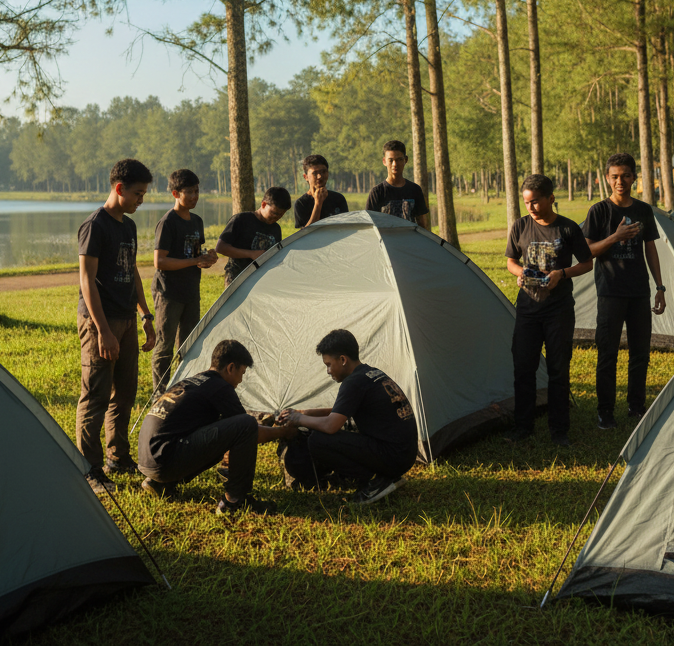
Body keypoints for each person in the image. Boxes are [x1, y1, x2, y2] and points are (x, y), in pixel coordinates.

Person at [138, 339, 295, 515]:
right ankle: (234, 501)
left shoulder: (193, 381)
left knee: (223, 429)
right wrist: (283, 431)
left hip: (148, 461)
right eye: (241, 373)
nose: (240, 381)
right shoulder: (220, 387)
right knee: (245, 423)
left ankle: (160, 483)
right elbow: (250, 430)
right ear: (230, 368)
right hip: (166, 460)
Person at [76, 158, 156, 495]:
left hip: (126, 320)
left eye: (144, 194)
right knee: (95, 396)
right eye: (138, 193)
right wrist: (103, 331)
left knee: (123, 395)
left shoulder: (128, 226)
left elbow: (133, 271)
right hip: (101, 322)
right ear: (119, 188)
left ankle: (116, 456)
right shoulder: (96, 225)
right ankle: (89, 467)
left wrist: (146, 316)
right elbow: (87, 280)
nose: (142, 200)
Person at [279, 329, 418, 505]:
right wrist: (304, 413)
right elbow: (341, 410)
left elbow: (331, 425)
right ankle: (380, 475)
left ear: (343, 360)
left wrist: (297, 420)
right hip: (404, 453)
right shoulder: (370, 373)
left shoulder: (353, 383)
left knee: (318, 440)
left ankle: (375, 480)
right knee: (331, 431)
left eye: (329, 364)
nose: (328, 371)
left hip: (393, 457)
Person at [505, 174, 593, 447]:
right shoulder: (520, 226)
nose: (530, 208)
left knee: (558, 369)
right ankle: (523, 427)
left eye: (535, 202)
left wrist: (561, 274)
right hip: (528, 310)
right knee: (523, 368)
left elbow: (587, 263)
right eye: (527, 203)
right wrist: (520, 274)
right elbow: (510, 260)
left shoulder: (567, 229)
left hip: (559, 311)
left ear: (550, 199)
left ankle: (559, 430)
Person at [583, 153, 666, 431]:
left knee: (640, 353)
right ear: (607, 178)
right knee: (607, 353)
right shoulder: (599, 211)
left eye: (626, 175)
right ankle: (605, 412)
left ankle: (636, 406)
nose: (620, 181)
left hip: (639, 292)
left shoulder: (643, 210)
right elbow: (587, 251)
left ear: (634, 177)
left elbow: (650, 248)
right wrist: (615, 237)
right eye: (615, 176)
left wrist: (660, 287)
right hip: (610, 291)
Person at [151, 168, 219, 392]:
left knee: (189, 346)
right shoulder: (167, 222)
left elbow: (195, 256)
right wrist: (194, 261)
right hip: (169, 293)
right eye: (188, 192)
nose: (194, 196)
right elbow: (160, 261)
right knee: (164, 346)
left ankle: (183, 391)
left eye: (197, 191)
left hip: (191, 291)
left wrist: (207, 259)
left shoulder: (197, 221)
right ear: (175, 194)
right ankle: (160, 395)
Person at [216, 187, 291, 287]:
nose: (276, 218)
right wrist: (251, 254)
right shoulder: (241, 220)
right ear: (263, 204)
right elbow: (221, 247)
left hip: (261, 281)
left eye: (281, 215)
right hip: (237, 278)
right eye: (274, 213)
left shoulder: (276, 229)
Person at [365, 139, 430, 229]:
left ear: (405, 160)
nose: (395, 164)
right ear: (384, 161)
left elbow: (422, 225)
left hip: (410, 241)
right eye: (391, 160)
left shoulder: (415, 190)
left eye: (399, 159)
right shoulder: (377, 192)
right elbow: (369, 225)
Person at [294, 154, 349, 228]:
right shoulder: (301, 204)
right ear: (306, 177)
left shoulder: (338, 199)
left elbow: (346, 227)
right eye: (315, 173)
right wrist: (318, 203)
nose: (320, 176)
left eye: (323, 172)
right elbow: (305, 235)